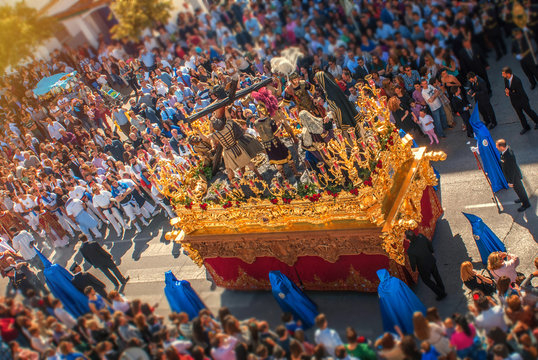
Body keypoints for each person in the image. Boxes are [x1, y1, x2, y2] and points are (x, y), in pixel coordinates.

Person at [405, 230, 446, 300]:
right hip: (431, 260)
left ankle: (440, 293)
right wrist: (432, 251)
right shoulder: (421, 237)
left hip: (423, 268)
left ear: (407, 239)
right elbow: (429, 244)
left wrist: (413, 269)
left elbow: (413, 262)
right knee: (436, 275)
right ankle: (442, 288)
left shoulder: (410, 250)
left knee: (427, 281)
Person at [495, 139, 530, 211]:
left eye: (497, 147)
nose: (496, 148)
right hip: (513, 176)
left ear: (501, 147)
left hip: (514, 177)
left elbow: (512, 171)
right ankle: (521, 199)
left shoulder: (509, 156)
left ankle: (526, 204)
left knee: (520, 190)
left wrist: (510, 182)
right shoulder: (505, 151)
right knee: (518, 190)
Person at [501, 66, 538, 134]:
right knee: (520, 114)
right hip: (514, 101)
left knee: (529, 111)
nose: (502, 75)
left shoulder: (517, 81)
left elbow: (519, 93)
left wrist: (510, 93)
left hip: (522, 100)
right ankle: (526, 127)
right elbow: (507, 88)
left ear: (508, 74)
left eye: (503, 73)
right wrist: (507, 92)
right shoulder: (506, 79)